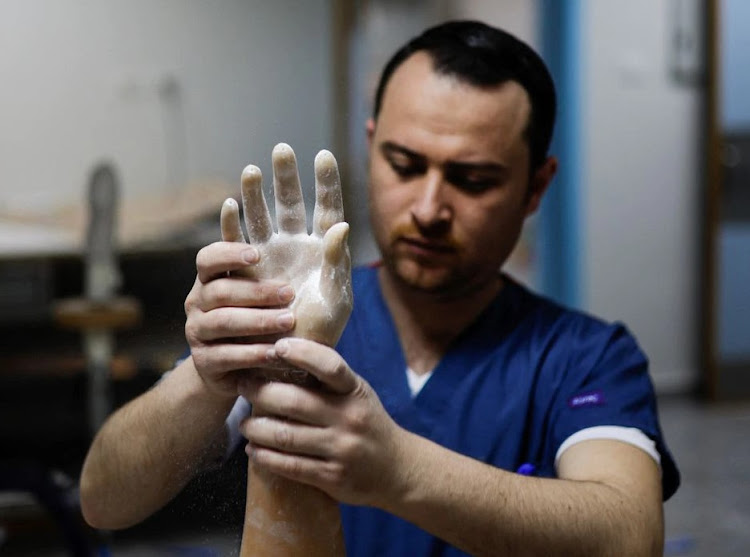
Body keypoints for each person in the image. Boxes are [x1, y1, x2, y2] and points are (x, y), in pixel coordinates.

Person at [79, 20, 679, 556]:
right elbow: (103, 500)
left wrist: (398, 470)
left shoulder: (585, 357)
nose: (427, 208)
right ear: (371, 146)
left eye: (472, 180)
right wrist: (207, 372)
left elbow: (628, 535)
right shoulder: (294, 318)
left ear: (535, 187)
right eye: (405, 164)